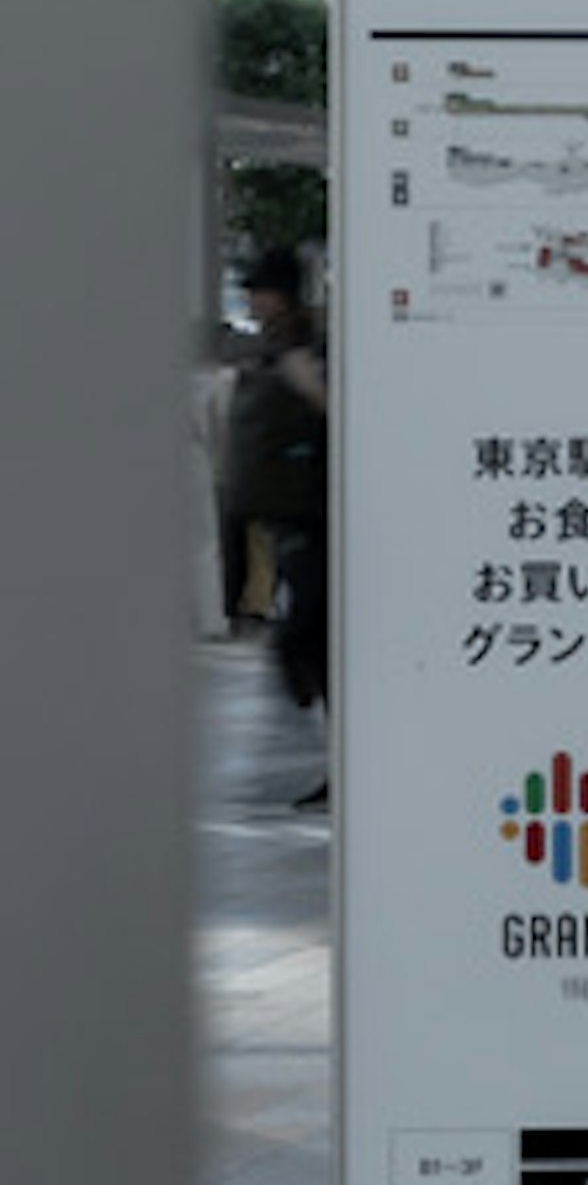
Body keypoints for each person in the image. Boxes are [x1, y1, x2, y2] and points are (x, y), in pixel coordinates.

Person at [220, 243, 330, 805]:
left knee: (302, 639)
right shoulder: (268, 352)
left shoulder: (316, 349)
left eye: (259, 290)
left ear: (284, 294)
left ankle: (331, 758)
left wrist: (312, 386)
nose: (252, 301)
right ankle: (334, 760)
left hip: (321, 521)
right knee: (308, 645)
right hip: (285, 522)